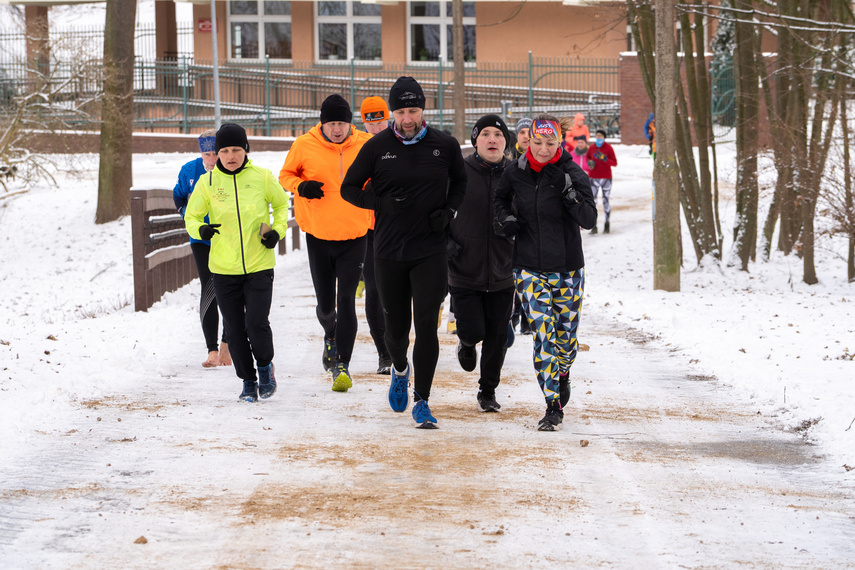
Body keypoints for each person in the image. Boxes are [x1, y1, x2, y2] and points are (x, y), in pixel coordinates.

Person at [341, 76, 467, 429]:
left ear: (423, 109)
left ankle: (423, 401)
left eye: (413, 110)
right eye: (400, 111)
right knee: (395, 332)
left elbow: (461, 181)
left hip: (430, 250)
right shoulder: (377, 147)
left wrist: (450, 211)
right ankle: (399, 368)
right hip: (389, 251)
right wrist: (380, 203)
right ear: (393, 112)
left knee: (427, 327)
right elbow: (348, 189)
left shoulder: (444, 145)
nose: (407, 119)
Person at [494, 114, 596, 431]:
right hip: (528, 268)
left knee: (565, 340)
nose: (541, 149)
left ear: (559, 142)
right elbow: (499, 200)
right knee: (544, 333)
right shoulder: (515, 172)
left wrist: (571, 196)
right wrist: (506, 219)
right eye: (536, 142)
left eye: (549, 143)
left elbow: (589, 218)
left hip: (567, 269)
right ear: (528, 141)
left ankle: (563, 372)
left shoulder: (572, 173)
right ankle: (552, 405)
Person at [185, 123, 289, 402]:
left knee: (256, 323)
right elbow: (191, 217)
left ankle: (265, 368)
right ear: (217, 154)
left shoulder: (262, 177)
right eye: (225, 151)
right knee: (234, 328)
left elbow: (281, 206)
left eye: (237, 150)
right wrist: (201, 230)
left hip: (259, 265)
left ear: (246, 150)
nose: (231, 156)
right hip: (222, 268)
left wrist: (277, 231)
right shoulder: (207, 184)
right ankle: (247, 381)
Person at [279, 94, 373, 392]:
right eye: (331, 123)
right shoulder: (303, 145)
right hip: (318, 235)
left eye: (342, 123)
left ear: (350, 123)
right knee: (325, 306)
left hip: (355, 234)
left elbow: (381, 175)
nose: (337, 129)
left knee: (346, 299)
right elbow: (285, 175)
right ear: (323, 123)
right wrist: (301, 186)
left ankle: (341, 365)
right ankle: (330, 334)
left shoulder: (364, 144)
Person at [448, 114, 515, 413]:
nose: (492, 139)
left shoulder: (516, 174)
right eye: (485, 134)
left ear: (506, 142)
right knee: (474, 329)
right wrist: (446, 242)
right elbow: (437, 209)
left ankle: (487, 390)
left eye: (498, 135)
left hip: (504, 267)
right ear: (475, 140)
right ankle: (466, 340)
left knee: (498, 335)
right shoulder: (457, 171)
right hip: (463, 266)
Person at [173, 129, 231, 368]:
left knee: (228, 289)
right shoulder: (189, 171)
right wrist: (186, 214)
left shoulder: (231, 171)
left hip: (228, 238)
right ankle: (212, 350)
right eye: (206, 154)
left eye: (215, 154)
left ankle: (228, 344)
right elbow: (178, 195)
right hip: (200, 239)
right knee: (209, 286)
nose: (211, 160)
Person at [358, 96, 393, 374]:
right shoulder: (359, 145)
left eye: (380, 121)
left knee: (399, 291)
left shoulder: (401, 140)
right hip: (368, 229)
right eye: (371, 123)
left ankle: (398, 343)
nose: (376, 128)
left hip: (400, 227)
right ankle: (384, 353)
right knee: (374, 289)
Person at [585, 128, 618, 234]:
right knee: (593, 201)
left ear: (604, 138)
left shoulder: (608, 148)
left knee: (605, 200)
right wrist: (590, 163)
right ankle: (594, 225)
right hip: (593, 177)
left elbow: (614, 163)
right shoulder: (592, 148)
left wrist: (605, 159)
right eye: (597, 136)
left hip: (606, 178)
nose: (598, 138)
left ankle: (607, 223)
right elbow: (587, 158)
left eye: (601, 136)